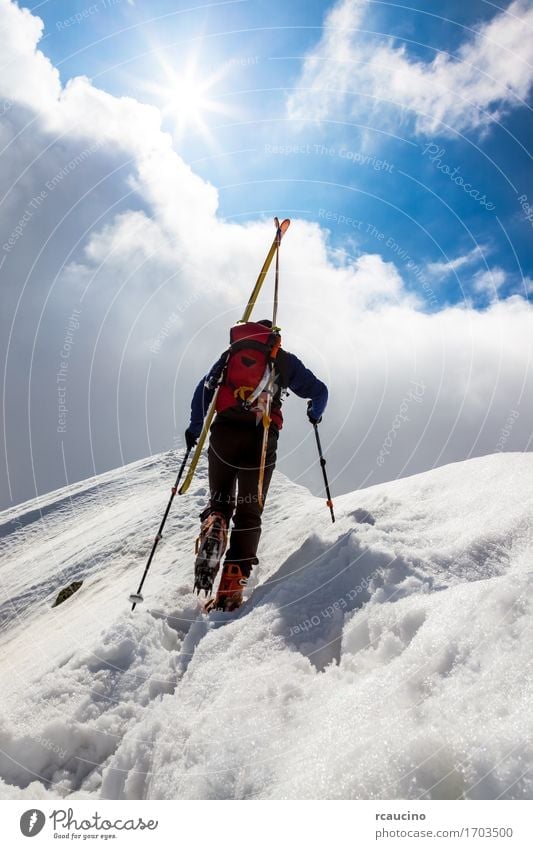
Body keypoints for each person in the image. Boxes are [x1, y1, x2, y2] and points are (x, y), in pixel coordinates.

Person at [185, 319, 328, 611]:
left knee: (220, 500)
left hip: (224, 431)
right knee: (250, 512)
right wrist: (315, 413)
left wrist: (195, 426)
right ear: (273, 338)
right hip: (261, 434)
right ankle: (230, 587)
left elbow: (204, 389)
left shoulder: (230, 355)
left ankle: (215, 522)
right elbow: (320, 391)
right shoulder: (283, 360)